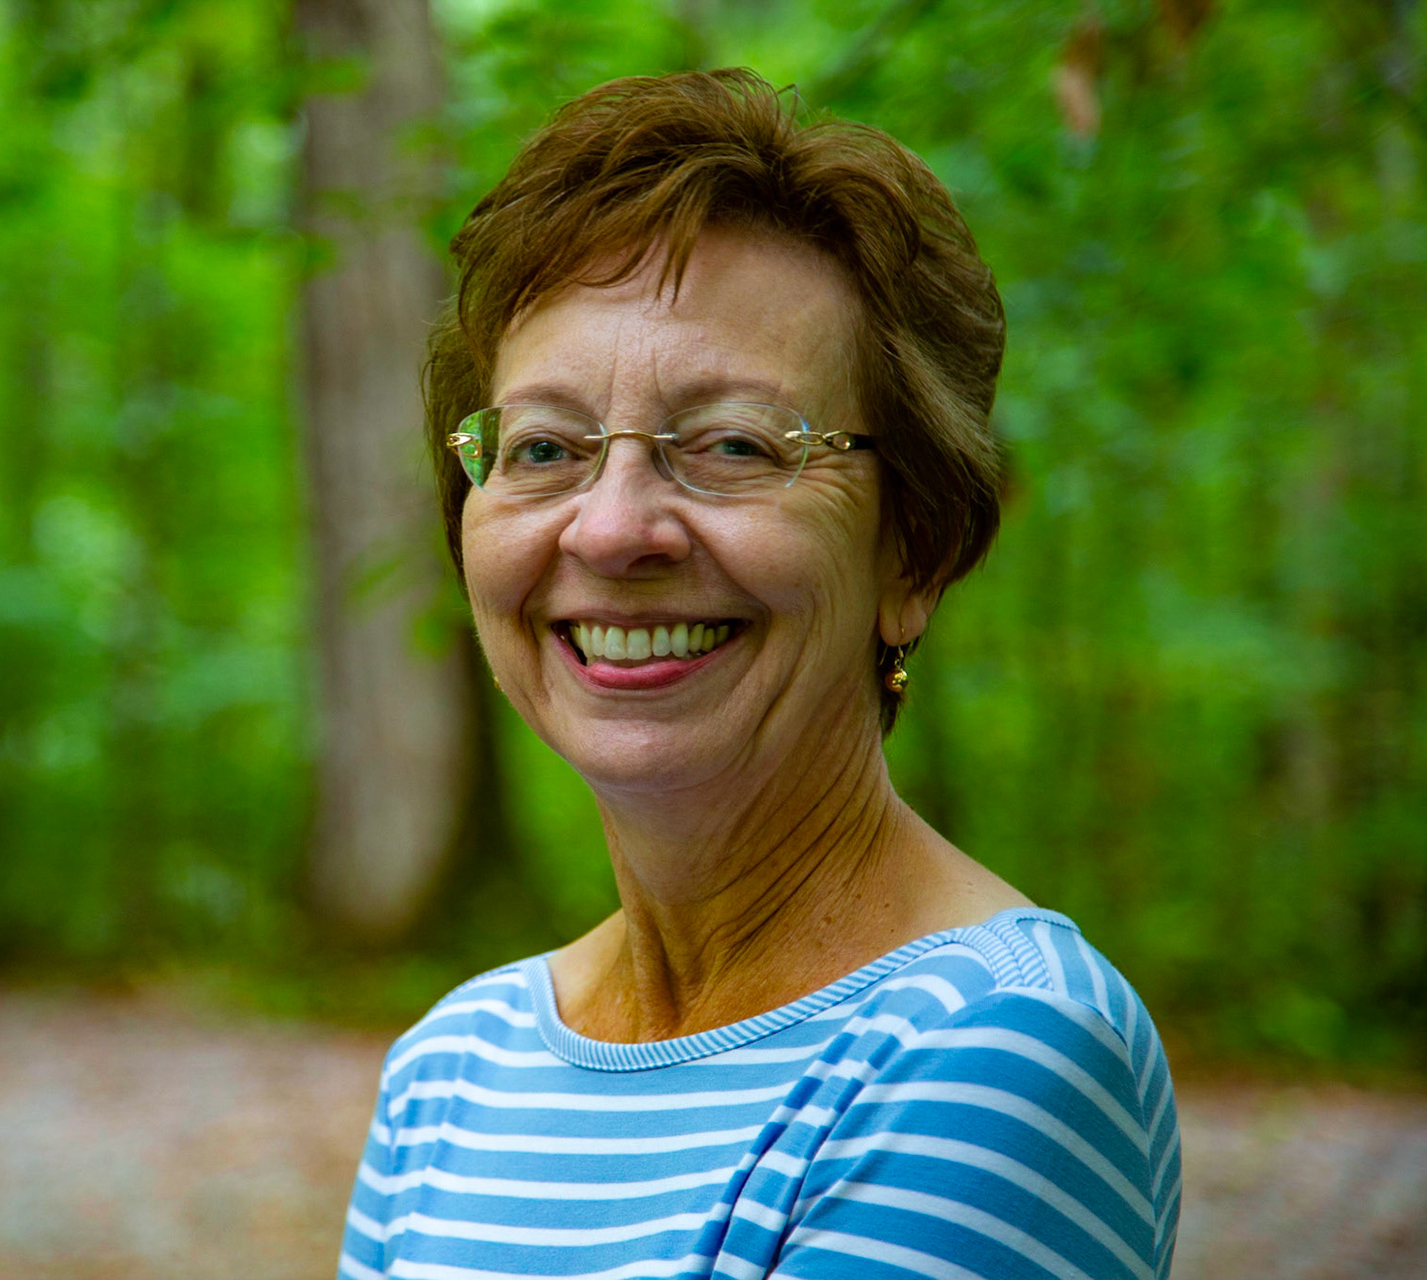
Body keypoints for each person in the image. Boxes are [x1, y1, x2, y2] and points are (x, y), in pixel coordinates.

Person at [339, 69, 1180, 1280]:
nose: (614, 528)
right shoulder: (452, 1068)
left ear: (918, 551)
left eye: (734, 442)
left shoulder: (992, 1040)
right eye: (543, 448)